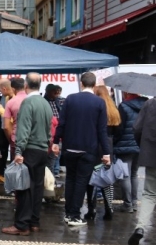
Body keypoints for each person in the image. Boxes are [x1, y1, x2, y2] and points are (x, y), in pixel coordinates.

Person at [53, 72, 111, 226]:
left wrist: (55, 141)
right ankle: (74, 215)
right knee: (81, 181)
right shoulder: (99, 103)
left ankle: (68, 212)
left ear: (82, 83)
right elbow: (101, 130)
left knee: (70, 179)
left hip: (70, 147)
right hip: (88, 149)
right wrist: (106, 152)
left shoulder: (70, 99)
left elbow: (62, 123)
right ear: (94, 85)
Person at [1, 73, 52, 235]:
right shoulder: (45, 103)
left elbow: (23, 129)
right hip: (43, 149)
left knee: (23, 188)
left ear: (26, 86)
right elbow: (49, 127)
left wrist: (18, 151)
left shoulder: (28, 103)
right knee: (37, 188)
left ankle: (22, 225)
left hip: (29, 149)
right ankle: (34, 221)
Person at [84, 85, 121, 221]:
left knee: (91, 178)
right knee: (107, 178)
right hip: (109, 145)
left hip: (95, 145)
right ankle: (109, 208)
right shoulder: (114, 110)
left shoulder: (95, 108)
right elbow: (118, 131)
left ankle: (91, 209)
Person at [128, 94, 156, 245]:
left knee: (150, 194)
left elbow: (137, 128)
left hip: (152, 156)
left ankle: (140, 227)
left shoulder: (150, 104)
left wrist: (144, 147)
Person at [114, 92, 147, 213]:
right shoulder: (146, 103)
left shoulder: (124, 106)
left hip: (124, 145)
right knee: (134, 174)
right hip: (140, 144)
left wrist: (115, 142)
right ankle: (134, 202)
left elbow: (120, 128)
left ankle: (127, 205)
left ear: (127, 93)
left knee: (124, 175)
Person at [0, 78, 13, 180]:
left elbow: (12, 117)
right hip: (3, 127)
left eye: (0, 89)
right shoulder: (4, 97)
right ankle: (1, 167)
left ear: (4, 88)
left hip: (12, 129)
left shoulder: (13, 98)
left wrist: (1, 111)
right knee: (3, 150)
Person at [44, 84, 64, 177]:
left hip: (58, 127)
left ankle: (56, 170)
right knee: (52, 153)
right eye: (54, 91)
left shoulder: (59, 100)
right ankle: (52, 173)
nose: (56, 93)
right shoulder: (44, 101)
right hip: (50, 128)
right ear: (48, 91)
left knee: (57, 151)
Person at [3, 78, 27, 157]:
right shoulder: (33, 100)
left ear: (13, 89)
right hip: (33, 140)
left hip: (16, 139)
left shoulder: (11, 102)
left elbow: (6, 126)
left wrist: (11, 140)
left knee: (17, 166)